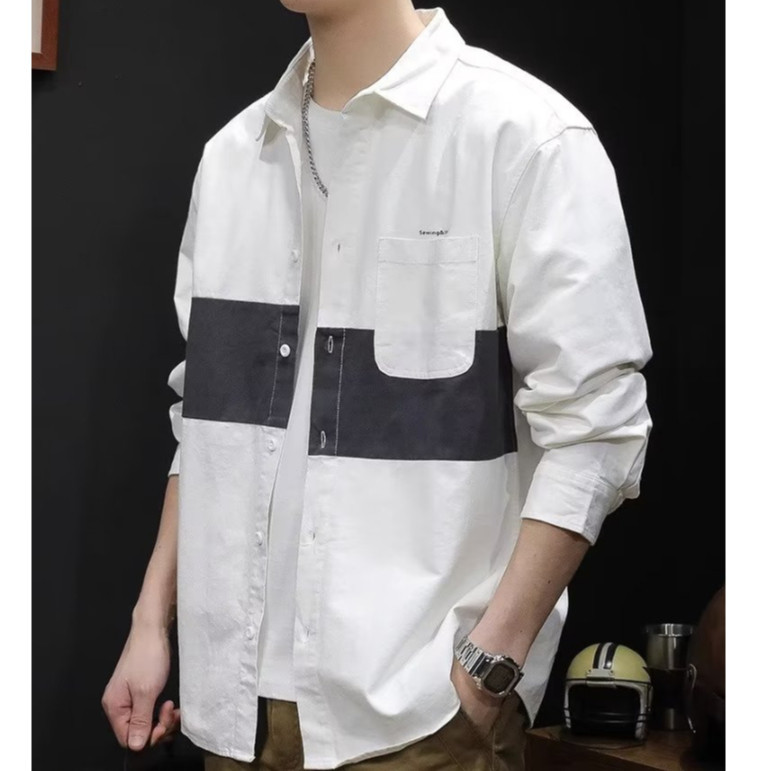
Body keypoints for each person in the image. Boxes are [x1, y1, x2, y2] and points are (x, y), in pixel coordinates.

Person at [101, 2, 654, 769]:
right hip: (232, 710)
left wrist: (488, 663)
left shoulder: (523, 137)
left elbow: (597, 429)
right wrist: (149, 621)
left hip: (422, 717)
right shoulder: (233, 157)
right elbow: (205, 421)